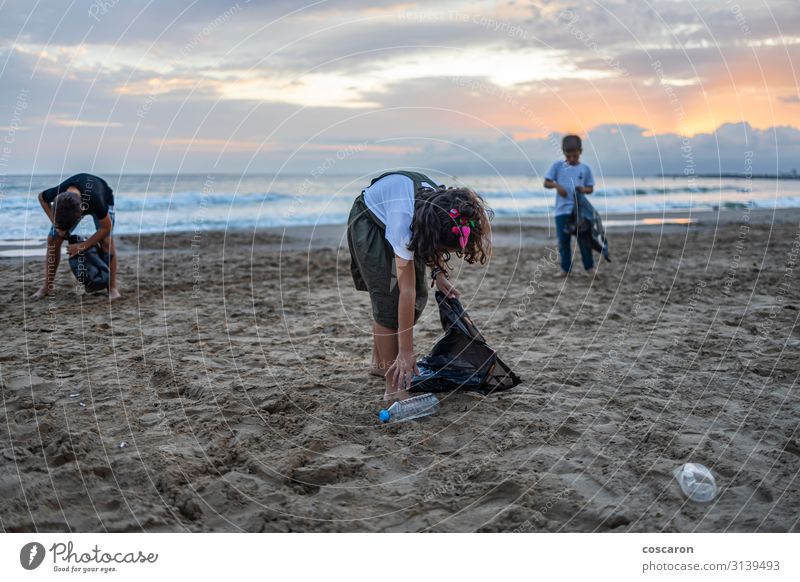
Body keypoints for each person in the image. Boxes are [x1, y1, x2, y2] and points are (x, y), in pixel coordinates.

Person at [347, 171, 492, 401]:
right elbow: (407, 291)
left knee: (407, 300)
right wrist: (406, 352)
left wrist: (438, 273)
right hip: (369, 221)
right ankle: (393, 388)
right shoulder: (404, 225)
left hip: (395, 216)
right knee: (389, 299)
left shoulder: (442, 207)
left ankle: (379, 362)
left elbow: (429, 243)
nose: (445, 253)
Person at [32, 173, 120, 300]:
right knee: (53, 238)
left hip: (104, 197)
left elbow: (106, 227)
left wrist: (81, 247)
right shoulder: (58, 193)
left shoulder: (97, 200)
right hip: (71, 206)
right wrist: (56, 224)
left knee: (107, 241)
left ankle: (112, 287)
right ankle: (47, 286)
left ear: (80, 214)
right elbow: (41, 198)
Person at [544, 135, 597, 278]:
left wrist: (582, 189)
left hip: (580, 212)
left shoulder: (585, 169)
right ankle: (565, 269)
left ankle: (589, 268)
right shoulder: (557, 166)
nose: (572, 159)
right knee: (564, 242)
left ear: (581, 151)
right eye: (569, 156)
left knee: (584, 240)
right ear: (563, 152)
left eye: (575, 156)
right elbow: (546, 182)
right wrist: (557, 186)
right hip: (561, 211)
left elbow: (590, 188)